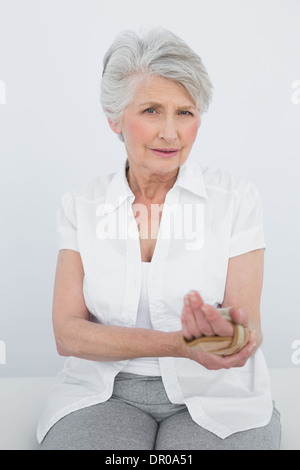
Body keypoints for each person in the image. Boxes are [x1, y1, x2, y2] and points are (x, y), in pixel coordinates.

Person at [38, 27, 281, 450]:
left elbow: (247, 328)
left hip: (218, 394)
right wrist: (180, 344)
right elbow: (68, 334)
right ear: (114, 117)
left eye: (185, 112)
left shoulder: (236, 198)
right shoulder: (80, 204)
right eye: (151, 110)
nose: (171, 132)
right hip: (102, 392)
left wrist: (228, 335)